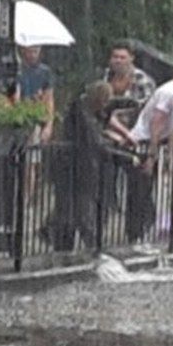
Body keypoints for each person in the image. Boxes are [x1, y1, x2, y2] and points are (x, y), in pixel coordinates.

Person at [45, 81, 137, 251]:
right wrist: (129, 158)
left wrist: (132, 103)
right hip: (71, 168)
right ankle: (88, 248)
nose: (105, 106)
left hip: (81, 168)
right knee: (77, 211)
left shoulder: (89, 106)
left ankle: (65, 242)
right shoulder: (83, 113)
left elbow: (110, 109)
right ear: (97, 100)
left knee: (73, 210)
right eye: (104, 102)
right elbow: (97, 143)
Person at [125, 59, 173, 246]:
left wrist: (171, 154)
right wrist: (152, 154)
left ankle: (146, 230)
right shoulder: (167, 93)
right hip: (144, 140)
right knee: (140, 189)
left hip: (161, 140)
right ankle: (135, 233)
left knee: (149, 188)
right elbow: (156, 124)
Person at [18, 46, 55, 142]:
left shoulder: (45, 72)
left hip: (37, 119)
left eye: (35, 51)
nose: (32, 55)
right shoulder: (17, 70)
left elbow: (49, 99)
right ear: (23, 50)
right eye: (30, 51)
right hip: (19, 118)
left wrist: (49, 126)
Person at [104, 40, 157, 105]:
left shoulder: (143, 80)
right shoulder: (106, 75)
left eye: (122, 58)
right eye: (115, 57)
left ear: (132, 58)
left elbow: (148, 107)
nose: (118, 61)